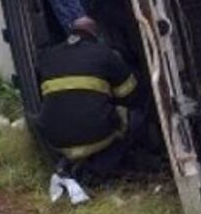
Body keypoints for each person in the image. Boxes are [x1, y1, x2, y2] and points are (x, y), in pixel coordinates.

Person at [37, 17, 145, 185]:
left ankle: (69, 164)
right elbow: (131, 95)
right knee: (136, 116)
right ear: (96, 34)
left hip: (55, 139)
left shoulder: (48, 56)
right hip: (96, 136)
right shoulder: (105, 54)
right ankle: (98, 169)